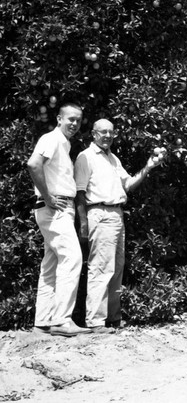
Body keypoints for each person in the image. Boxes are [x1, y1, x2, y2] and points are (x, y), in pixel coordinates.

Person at [74, 119, 160, 333]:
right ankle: (95, 321)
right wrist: (83, 225)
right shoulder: (86, 157)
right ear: (93, 134)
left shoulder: (113, 158)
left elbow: (128, 184)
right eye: (103, 132)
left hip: (117, 214)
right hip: (100, 214)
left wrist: (149, 166)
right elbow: (79, 193)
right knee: (101, 268)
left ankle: (112, 318)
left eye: (111, 132)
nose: (107, 136)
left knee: (116, 268)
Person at [27, 103, 91, 337]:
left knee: (51, 264)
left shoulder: (63, 144)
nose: (74, 124)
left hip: (57, 208)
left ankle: (42, 321)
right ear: (59, 119)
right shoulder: (51, 139)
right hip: (54, 208)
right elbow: (33, 164)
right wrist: (48, 197)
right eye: (70, 119)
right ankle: (62, 320)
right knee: (72, 257)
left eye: (78, 120)